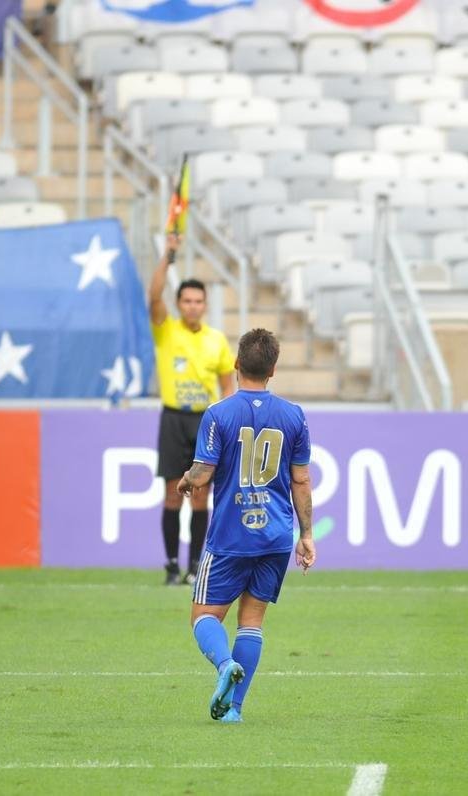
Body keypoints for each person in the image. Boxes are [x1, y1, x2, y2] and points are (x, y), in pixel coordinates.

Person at [177, 328, 315, 723]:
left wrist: (187, 478)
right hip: (275, 535)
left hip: (230, 535)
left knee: (204, 617)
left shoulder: (218, 414)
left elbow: (203, 473)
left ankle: (223, 666)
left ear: (236, 364)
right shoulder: (294, 416)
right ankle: (233, 709)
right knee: (251, 622)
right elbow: (301, 480)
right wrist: (306, 535)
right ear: (273, 369)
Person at [148, 232, 235, 585]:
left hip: (204, 420)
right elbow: (153, 295)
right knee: (172, 492)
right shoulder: (166, 331)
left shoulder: (216, 340)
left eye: (198, 301)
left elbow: (228, 382)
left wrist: (225, 414)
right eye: (186, 300)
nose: (192, 306)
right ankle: (171, 565)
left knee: (200, 494)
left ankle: (196, 564)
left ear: (205, 304)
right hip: (173, 417)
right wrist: (168, 256)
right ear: (179, 303)